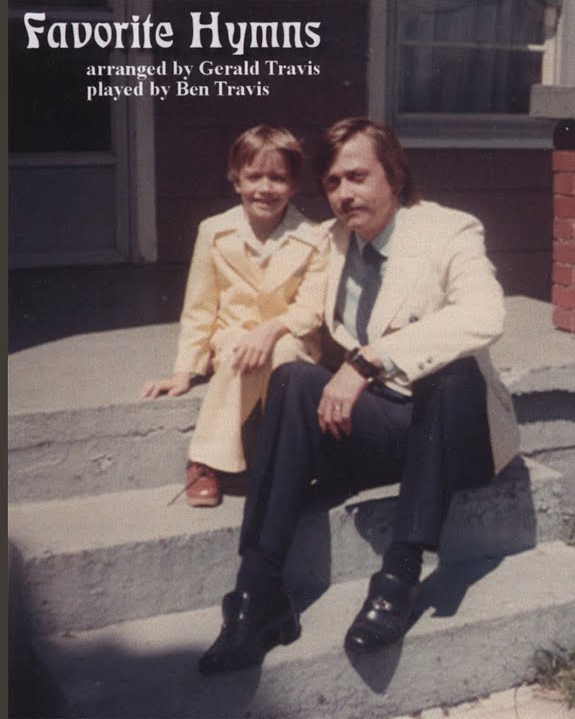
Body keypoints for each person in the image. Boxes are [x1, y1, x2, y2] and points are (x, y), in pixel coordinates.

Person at [198, 117, 520, 674]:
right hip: (380, 427)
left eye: (357, 177)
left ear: (394, 174)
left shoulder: (449, 230)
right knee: (292, 379)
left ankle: (398, 577)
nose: (344, 194)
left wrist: (368, 362)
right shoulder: (330, 241)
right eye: (331, 183)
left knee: (452, 374)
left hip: (450, 432)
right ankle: (258, 590)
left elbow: (484, 313)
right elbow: (279, 301)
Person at [141, 125, 328, 508]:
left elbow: (311, 308)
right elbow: (200, 306)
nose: (265, 188)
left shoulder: (314, 237)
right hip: (233, 338)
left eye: (278, 178)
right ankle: (206, 460)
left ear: (294, 185)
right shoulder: (214, 231)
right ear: (236, 179)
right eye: (254, 176)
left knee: (284, 354)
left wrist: (272, 330)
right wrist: (186, 369)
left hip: (290, 336)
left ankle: (285, 460)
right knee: (242, 352)